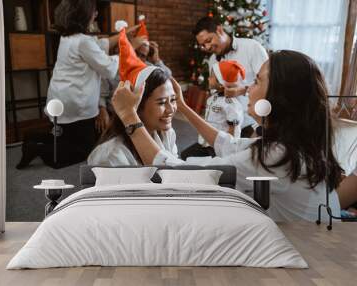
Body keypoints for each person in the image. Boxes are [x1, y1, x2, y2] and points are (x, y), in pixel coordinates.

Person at [111, 50, 348, 222]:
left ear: (280, 96)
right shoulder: (295, 143)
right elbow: (229, 144)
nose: (248, 88)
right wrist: (184, 107)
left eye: (257, 81)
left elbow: (176, 174)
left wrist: (128, 116)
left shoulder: (275, 156)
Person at [16, 0, 139, 169]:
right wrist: (129, 49)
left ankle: (33, 137)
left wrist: (123, 35)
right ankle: (37, 149)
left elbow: (99, 44)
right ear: (83, 15)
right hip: (75, 102)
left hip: (63, 97)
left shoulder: (69, 37)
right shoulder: (83, 42)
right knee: (82, 151)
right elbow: (109, 68)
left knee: (68, 139)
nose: (96, 15)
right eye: (93, 12)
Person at [88, 21, 177, 166]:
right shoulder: (111, 157)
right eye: (161, 102)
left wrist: (157, 59)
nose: (171, 109)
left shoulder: (167, 133)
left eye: (173, 100)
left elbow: (168, 78)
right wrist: (102, 110)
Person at [193, 16, 268, 137]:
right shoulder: (213, 59)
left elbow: (269, 84)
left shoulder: (252, 48)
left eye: (208, 41)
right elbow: (215, 94)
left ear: (219, 30)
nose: (207, 48)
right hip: (224, 125)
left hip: (252, 122)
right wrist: (217, 88)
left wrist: (242, 90)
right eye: (202, 45)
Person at [181, 60, 246, 160]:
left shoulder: (231, 104)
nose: (208, 78)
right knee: (185, 156)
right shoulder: (213, 98)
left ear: (221, 83)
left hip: (219, 148)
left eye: (211, 77)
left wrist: (229, 152)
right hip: (206, 142)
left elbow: (234, 131)